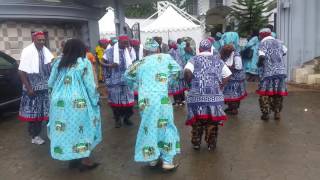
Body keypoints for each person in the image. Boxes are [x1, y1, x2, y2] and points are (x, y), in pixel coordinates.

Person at [125, 38, 181, 170]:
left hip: (145, 100)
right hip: (161, 98)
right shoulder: (165, 58)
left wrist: (137, 86)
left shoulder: (140, 62)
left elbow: (127, 75)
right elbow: (177, 71)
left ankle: (152, 159)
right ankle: (167, 161)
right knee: (166, 126)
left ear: (144, 51)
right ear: (158, 49)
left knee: (148, 126)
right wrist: (169, 83)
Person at [48, 38, 101, 171]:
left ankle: (72, 159)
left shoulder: (58, 62)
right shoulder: (84, 63)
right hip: (78, 102)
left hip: (58, 102)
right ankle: (85, 160)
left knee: (65, 129)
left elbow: (50, 83)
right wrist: (95, 100)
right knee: (83, 129)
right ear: (81, 50)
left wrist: (53, 99)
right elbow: (90, 85)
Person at [184, 39, 232, 151]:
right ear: (211, 49)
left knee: (197, 121)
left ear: (199, 49)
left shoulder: (193, 59)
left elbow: (187, 72)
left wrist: (190, 85)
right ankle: (211, 144)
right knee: (212, 121)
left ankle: (196, 143)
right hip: (214, 97)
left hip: (196, 96)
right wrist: (220, 87)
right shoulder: (218, 61)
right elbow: (228, 74)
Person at [18, 31, 53, 145]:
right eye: (39, 40)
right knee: (35, 115)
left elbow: (50, 66)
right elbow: (21, 71)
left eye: (43, 40)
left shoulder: (45, 51)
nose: (42, 42)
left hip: (45, 88)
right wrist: (29, 88)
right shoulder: (27, 51)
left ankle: (51, 133)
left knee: (48, 112)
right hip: (33, 89)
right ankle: (34, 136)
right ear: (34, 40)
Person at [103, 35, 135, 128]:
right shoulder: (109, 51)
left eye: (127, 43)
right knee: (116, 103)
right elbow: (101, 62)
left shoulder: (127, 50)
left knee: (129, 103)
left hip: (126, 81)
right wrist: (109, 66)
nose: (126, 44)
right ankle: (117, 120)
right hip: (114, 81)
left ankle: (126, 118)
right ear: (119, 42)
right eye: (124, 43)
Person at [257, 28, 288, 120]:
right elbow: (285, 51)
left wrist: (259, 63)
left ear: (262, 35)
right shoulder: (279, 42)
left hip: (268, 72)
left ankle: (266, 113)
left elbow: (262, 56)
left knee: (265, 93)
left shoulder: (263, 43)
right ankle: (277, 112)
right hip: (280, 71)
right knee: (278, 92)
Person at [222, 44, 247, 115]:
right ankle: (230, 107)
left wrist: (226, 67)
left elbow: (238, 67)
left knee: (235, 95)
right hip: (230, 78)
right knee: (229, 94)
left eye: (227, 52)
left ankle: (234, 109)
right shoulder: (226, 55)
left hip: (236, 79)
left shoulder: (236, 56)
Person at [168, 41, 187, 106]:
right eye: (172, 45)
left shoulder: (181, 50)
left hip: (180, 70)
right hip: (174, 72)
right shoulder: (170, 52)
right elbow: (169, 62)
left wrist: (184, 68)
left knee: (181, 85)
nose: (174, 46)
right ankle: (176, 100)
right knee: (175, 86)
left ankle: (182, 99)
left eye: (175, 44)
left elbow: (183, 59)